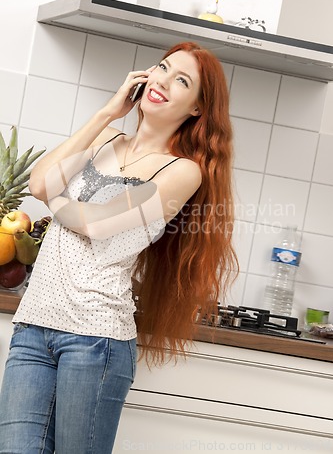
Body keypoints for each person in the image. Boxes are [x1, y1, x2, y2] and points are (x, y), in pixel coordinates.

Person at [0, 41, 238, 453]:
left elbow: (97, 224)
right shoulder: (106, 136)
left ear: (197, 108)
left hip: (95, 342)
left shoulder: (182, 172)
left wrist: (54, 203)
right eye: (162, 67)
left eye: (181, 80)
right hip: (33, 328)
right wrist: (107, 113)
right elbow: (39, 183)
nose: (162, 79)